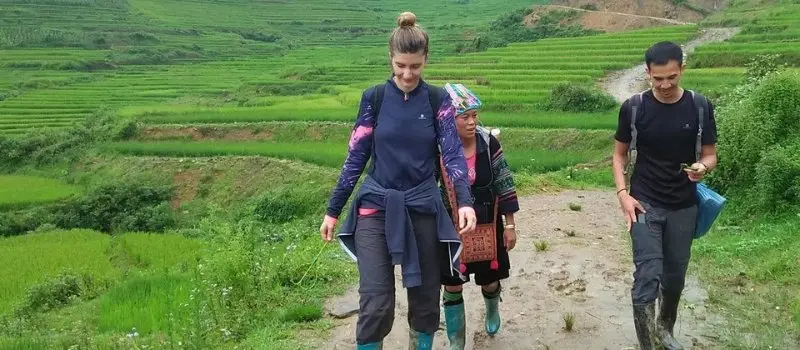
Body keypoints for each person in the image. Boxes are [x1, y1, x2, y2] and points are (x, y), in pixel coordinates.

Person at [319, 12, 478, 350]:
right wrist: (333, 211)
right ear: (390, 58)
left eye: (415, 66)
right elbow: (356, 158)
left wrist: (464, 201)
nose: (407, 74)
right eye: (401, 65)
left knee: (425, 302)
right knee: (376, 302)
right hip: (376, 206)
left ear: (425, 60)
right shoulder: (374, 98)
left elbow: (452, 154)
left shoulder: (437, 100)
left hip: (422, 205)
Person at [611, 41, 718, 350]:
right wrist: (623, 194)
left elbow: (710, 154)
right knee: (647, 276)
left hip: (684, 206)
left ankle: (664, 329)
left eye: (672, 77)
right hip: (643, 203)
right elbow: (619, 155)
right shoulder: (634, 107)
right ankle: (647, 344)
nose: (665, 85)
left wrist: (702, 167)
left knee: (674, 277)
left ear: (682, 69)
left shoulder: (699, 106)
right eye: (658, 79)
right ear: (648, 73)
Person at [439, 83, 520, 350]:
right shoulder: (439, 147)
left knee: (490, 280)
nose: (472, 122)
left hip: (488, 222)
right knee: (452, 285)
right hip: (450, 228)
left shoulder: (488, 142)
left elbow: (504, 182)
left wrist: (510, 225)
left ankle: (492, 310)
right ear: (449, 119)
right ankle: (456, 341)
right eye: (464, 117)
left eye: (474, 115)